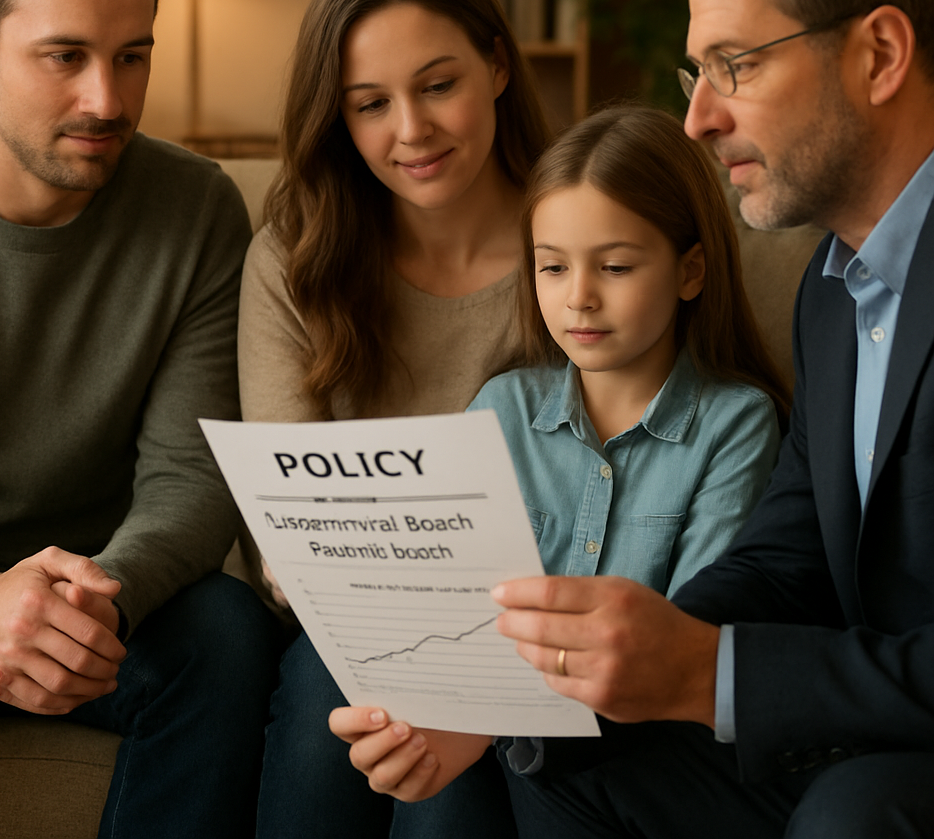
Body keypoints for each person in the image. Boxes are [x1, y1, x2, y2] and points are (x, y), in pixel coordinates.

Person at [489, 0, 934, 838]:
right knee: (562, 741)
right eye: (698, 75)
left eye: (738, 65)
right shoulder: (833, 289)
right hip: (865, 720)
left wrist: (714, 672)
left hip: (892, 755)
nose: (699, 119)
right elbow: (786, 558)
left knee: (853, 813)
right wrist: (615, 656)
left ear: (879, 53)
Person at [0, 0, 280, 838]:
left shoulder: (196, 209)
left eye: (132, 56)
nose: (106, 99)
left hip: (103, 603)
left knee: (226, 632)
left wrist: (93, 602)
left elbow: (189, 479)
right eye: (65, 56)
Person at [330, 105, 789, 801]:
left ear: (690, 270)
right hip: (482, 725)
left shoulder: (736, 424)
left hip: (629, 749)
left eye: (615, 266)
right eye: (552, 267)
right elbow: (447, 610)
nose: (579, 298)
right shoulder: (503, 406)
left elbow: (687, 638)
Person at [238, 0, 550, 836]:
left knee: (439, 763)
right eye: (371, 104)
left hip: (531, 626)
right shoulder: (296, 257)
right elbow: (290, 535)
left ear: (498, 65)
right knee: (340, 697)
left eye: (439, 85)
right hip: (347, 628)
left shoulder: (582, 244)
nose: (410, 130)